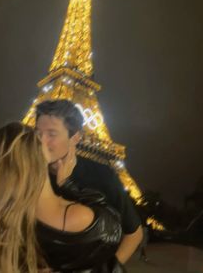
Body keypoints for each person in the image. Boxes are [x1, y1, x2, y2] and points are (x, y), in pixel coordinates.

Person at [0, 122, 124, 273]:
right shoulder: (77, 216)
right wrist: (67, 184)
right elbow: (113, 228)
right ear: (39, 157)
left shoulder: (2, 223)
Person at [35, 99, 143, 266]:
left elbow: (134, 234)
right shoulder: (29, 176)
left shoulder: (102, 176)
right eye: (38, 133)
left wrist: (107, 270)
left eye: (52, 134)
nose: (41, 142)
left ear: (75, 137)